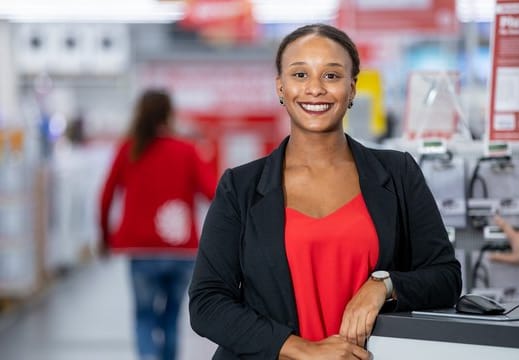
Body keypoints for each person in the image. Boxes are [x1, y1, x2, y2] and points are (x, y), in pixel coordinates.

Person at [188, 24, 462, 360]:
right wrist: (301, 349)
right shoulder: (241, 187)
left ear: (352, 88)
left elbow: (446, 277)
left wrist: (384, 285)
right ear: (280, 87)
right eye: (300, 74)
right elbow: (207, 302)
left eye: (331, 76)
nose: (314, 89)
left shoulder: (397, 173)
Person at [99, 89, 216, 360]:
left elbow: (105, 196)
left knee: (144, 316)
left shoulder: (129, 150)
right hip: (181, 252)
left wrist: (104, 237)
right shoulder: (187, 150)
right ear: (169, 114)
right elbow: (214, 194)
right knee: (171, 319)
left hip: (141, 251)